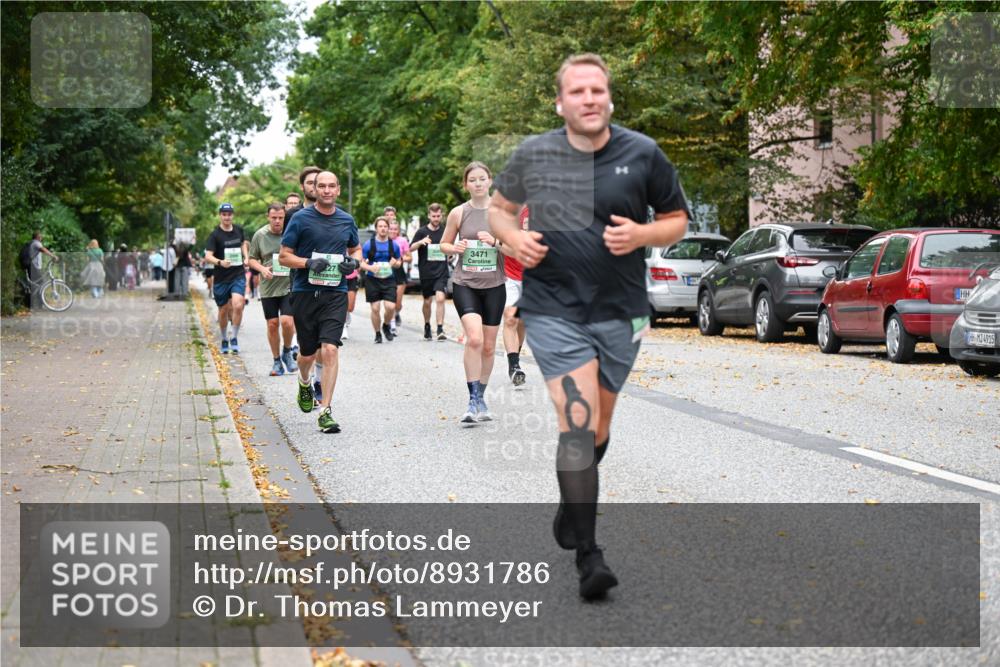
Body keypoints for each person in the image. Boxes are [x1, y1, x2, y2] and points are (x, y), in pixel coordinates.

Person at [490, 53, 690, 600]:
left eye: (597, 90)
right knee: (577, 425)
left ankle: (570, 502)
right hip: (554, 309)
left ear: (609, 98)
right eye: (577, 91)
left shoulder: (642, 153)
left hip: (621, 311)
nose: (588, 99)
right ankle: (589, 555)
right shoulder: (535, 154)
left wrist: (643, 237)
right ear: (561, 102)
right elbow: (500, 211)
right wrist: (514, 239)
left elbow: (676, 220)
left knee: (597, 429)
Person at [278, 171, 361, 434]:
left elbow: (355, 249)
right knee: (307, 354)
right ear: (314, 188)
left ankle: (325, 411)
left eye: (331, 186)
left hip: (336, 293)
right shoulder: (300, 219)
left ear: (338, 190)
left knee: (330, 349)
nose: (326, 190)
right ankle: (304, 381)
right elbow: (283, 257)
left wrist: (354, 262)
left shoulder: (346, 220)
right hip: (305, 292)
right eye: (320, 186)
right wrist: (307, 263)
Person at [441, 162, 506, 423]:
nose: (478, 184)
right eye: (473, 180)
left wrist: (496, 242)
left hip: (494, 286)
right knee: (475, 339)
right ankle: (472, 399)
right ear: (466, 184)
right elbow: (443, 244)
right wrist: (455, 248)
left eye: (482, 179)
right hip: (465, 283)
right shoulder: (458, 213)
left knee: (489, 348)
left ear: (490, 181)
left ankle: (481, 396)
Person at [248, 203, 298, 376]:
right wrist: (262, 269)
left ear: (285, 217)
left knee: (287, 321)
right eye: (274, 218)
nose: (277, 221)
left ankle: (287, 350)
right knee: (272, 324)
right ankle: (277, 360)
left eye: (281, 218)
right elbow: (251, 259)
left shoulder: (291, 233)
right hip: (268, 286)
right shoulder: (260, 235)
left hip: (289, 285)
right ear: (268, 217)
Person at [203, 203, 249, 354]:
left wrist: (246, 257)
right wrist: (220, 262)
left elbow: (243, 244)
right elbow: (208, 255)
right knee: (223, 309)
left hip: (238, 274)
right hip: (222, 277)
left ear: (232, 215)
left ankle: (234, 337)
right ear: (220, 215)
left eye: (229, 214)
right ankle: (224, 338)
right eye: (224, 214)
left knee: (238, 304)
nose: (227, 217)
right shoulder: (215, 235)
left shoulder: (238, 230)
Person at [499, 207, 529, 386]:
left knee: (522, 321)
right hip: (510, 274)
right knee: (510, 318)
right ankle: (514, 366)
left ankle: (514, 354)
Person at [410, 203, 449, 341]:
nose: (436, 218)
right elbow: (410, 248)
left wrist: (450, 253)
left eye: (438, 216)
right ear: (429, 216)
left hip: (441, 271)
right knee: (427, 301)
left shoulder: (445, 231)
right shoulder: (421, 231)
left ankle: (440, 328)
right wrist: (421, 242)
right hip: (426, 271)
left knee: (440, 298)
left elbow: (449, 246)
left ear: (441, 215)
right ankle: (427, 324)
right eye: (434, 216)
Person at [360, 216, 402, 344]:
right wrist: (370, 268)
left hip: (388, 279)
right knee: (375, 308)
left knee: (390, 307)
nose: (383, 229)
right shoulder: (369, 244)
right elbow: (361, 263)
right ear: (376, 228)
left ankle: (386, 324)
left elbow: (399, 262)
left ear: (388, 229)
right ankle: (377, 333)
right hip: (373, 279)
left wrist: (395, 263)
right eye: (380, 226)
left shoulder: (393, 245)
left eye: (385, 226)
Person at [388, 219, 411, 336]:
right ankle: (392, 325)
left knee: (397, 303)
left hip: (399, 272)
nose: (392, 231)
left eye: (395, 229)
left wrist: (400, 258)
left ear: (398, 231)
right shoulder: (383, 240)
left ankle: (396, 313)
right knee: (391, 300)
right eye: (390, 228)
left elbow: (409, 257)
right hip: (387, 272)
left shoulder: (402, 241)